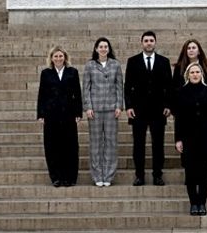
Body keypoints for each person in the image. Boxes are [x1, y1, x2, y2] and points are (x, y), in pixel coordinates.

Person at [172, 62, 207, 216]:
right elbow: (178, 118)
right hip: (188, 137)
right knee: (190, 172)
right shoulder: (180, 92)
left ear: (201, 74)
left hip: (205, 136)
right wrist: (178, 139)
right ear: (188, 75)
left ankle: (202, 203)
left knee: (204, 172)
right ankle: (193, 203)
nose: (195, 74)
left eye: (197, 72)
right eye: (192, 72)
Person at [125, 30, 171, 186]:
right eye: (146, 40)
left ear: (155, 42)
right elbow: (128, 86)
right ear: (142, 43)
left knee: (158, 144)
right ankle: (140, 176)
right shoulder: (133, 61)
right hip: (138, 110)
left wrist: (168, 105)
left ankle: (158, 175)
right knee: (138, 145)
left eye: (151, 40)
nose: (149, 43)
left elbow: (168, 86)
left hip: (158, 110)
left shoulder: (164, 61)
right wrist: (128, 106)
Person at [36, 45, 82, 187]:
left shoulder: (72, 72)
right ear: (51, 58)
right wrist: (40, 113)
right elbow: (41, 94)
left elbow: (78, 94)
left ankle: (70, 177)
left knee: (70, 146)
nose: (58, 58)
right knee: (52, 146)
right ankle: (56, 177)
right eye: (55, 56)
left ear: (65, 57)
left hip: (68, 114)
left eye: (60, 56)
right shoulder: (46, 73)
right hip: (51, 114)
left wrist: (78, 112)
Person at [81, 37, 123, 186]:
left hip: (112, 109)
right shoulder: (90, 66)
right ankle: (97, 175)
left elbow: (119, 87)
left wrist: (119, 105)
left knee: (111, 143)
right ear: (96, 49)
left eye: (106, 46)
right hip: (95, 110)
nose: (104, 49)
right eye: (101, 46)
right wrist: (88, 107)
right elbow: (86, 88)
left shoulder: (115, 65)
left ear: (109, 49)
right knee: (96, 143)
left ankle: (109, 175)